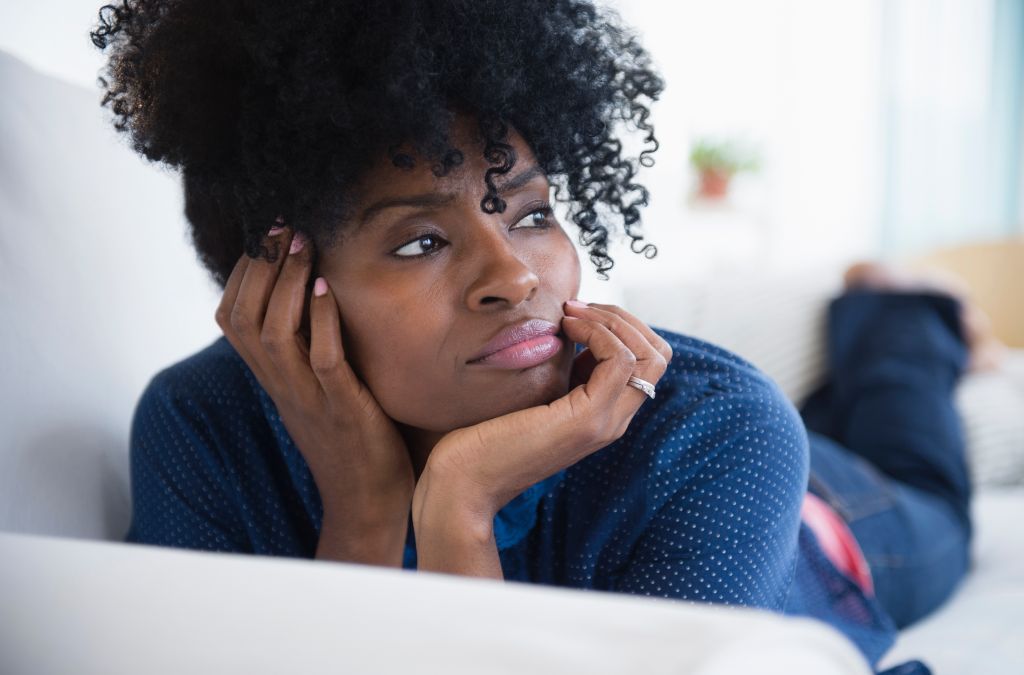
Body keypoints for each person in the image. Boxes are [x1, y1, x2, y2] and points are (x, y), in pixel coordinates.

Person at [90, 1, 994, 672]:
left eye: (529, 214)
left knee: (925, 481)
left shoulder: (719, 430)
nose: (517, 277)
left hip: (822, 527)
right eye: (422, 241)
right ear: (283, 280)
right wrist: (367, 508)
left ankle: (903, 311)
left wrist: (457, 503)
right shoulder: (202, 427)